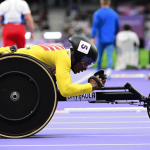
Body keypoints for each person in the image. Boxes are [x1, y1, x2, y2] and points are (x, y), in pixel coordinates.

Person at [0, 35, 107, 97]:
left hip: (8, 59)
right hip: (6, 59)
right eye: (86, 63)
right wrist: (91, 86)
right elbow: (66, 90)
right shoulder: (63, 58)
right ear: (77, 56)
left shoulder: (60, 54)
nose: (85, 68)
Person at [90, 0, 119, 79]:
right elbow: (117, 27)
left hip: (101, 38)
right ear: (109, 3)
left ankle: (98, 73)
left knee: (99, 57)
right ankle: (108, 73)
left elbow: (94, 25)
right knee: (110, 56)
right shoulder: (114, 13)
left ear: (101, 3)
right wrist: (114, 34)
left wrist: (92, 36)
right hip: (110, 38)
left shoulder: (97, 13)